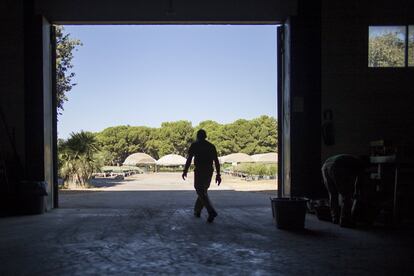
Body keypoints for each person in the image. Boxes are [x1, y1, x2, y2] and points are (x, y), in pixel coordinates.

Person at [182, 129, 221, 223]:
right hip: (209, 171)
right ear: (205, 136)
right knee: (203, 192)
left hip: (199, 170)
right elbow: (216, 161)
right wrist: (218, 174)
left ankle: (210, 210)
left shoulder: (195, 145)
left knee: (200, 191)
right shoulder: (211, 146)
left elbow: (189, 159)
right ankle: (197, 211)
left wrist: (185, 170)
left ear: (197, 136)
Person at [321, 154, 365, 227]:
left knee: (333, 194)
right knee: (346, 195)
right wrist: (356, 192)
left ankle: (335, 218)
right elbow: (358, 181)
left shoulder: (350, 159)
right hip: (336, 166)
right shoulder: (360, 165)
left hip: (325, 166)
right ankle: (344, 220)